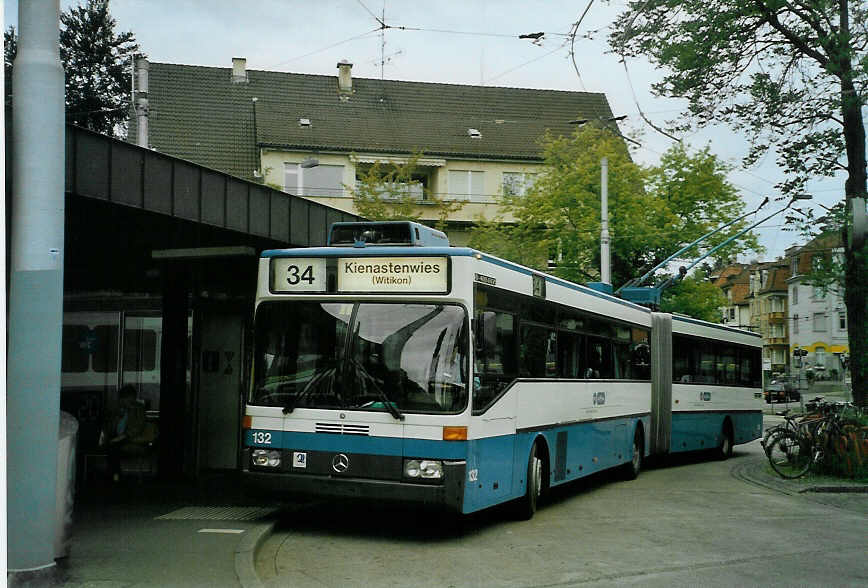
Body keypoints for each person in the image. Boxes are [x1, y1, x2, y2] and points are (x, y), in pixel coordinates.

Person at [103, 385, 152, 482]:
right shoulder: (117, 409)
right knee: (112, 447)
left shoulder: (139, 409)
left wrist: (122, 437)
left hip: (131, 439)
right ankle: (115, 476)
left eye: (128, 399)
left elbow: (137, 428)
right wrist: (118, 418)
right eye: (123, 399)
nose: (124, 402)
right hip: (117, 437)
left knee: (113, 448)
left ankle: (115, 477)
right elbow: (110, 428)